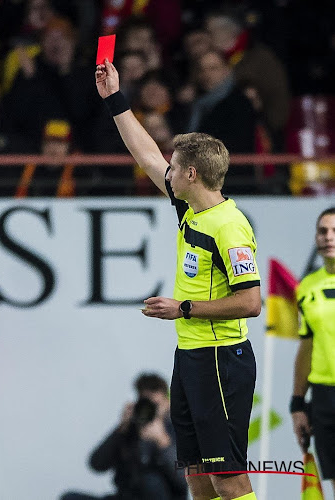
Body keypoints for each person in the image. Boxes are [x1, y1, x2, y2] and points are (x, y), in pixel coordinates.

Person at [95, 60, 262, 500]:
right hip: (191, 357)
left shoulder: (229, 226)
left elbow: (251, 302)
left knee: (228, 477)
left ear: (191, 174)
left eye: (174, 167)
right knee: (196, 475)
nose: (164, 171)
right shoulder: (192, 209)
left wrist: (182, 308)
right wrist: (115, 99)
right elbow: (146, 153)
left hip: (222, 359)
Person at [61, 373, 187, 500]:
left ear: (167, 402)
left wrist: (163, 442)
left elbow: (186, 481)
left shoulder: (181, 430)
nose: (150, 410)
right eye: (145, 404)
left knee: (151, 481)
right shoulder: (129, 430)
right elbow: (96, 464)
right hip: (126, 496)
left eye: (155, 405)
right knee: (69, 498)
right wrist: (121, 428)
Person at [291, 207, 335, 500]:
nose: (328, 237)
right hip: (324, 398)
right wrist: (297, 402)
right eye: (323, 231)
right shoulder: (307, 287)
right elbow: (306, 348)